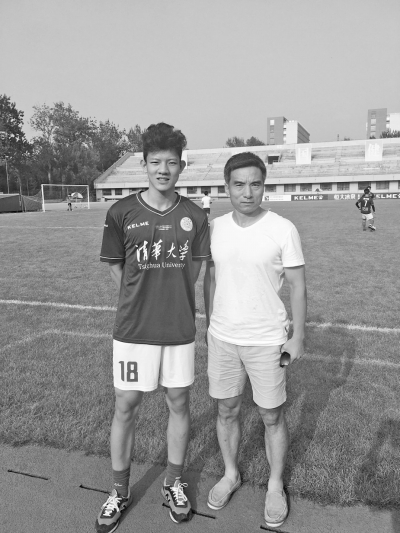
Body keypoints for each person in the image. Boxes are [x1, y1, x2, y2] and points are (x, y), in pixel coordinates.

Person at [96, 123, 211, 533]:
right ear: (143, 164)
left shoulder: (194, 215)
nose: (164, 169)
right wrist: (140, 298)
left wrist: (168, 298)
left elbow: (193, 271)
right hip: (133, 330)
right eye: (156, 162)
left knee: (179, 403)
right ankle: (119, 491)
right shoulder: (120, 212)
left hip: (178, 329)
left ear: (182, 166)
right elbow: (116, 268)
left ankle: (172, 482)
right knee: (126, 406)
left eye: (172, 163)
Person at [203, 152, 307, 529]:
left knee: (271, 415)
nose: (247, 192)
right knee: (226, 410)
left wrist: (298, 336)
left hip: (266, 340)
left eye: (255, 184)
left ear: (264, 186)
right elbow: (210, 277)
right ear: (227, 187)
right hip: (223, 338)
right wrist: (210, 323)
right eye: (239, 184)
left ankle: (275, 485)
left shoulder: (282, 228)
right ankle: (231, 474)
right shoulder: (214, 228)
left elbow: (297, 285)